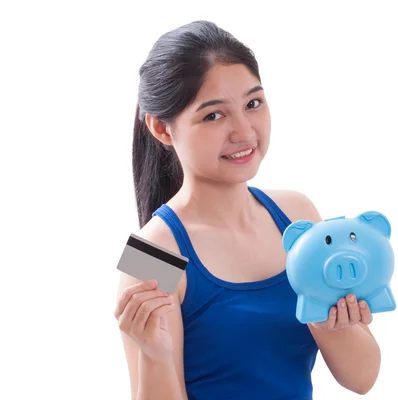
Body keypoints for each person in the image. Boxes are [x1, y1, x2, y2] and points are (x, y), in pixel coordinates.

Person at [114, 20, 382, 400]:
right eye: (213, 115)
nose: (244, 131)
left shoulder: (296, 214)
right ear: (161, 128)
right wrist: (154, 356)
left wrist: (331, 324)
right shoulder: (150, 255)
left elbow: (362, 379)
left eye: (252, 104)